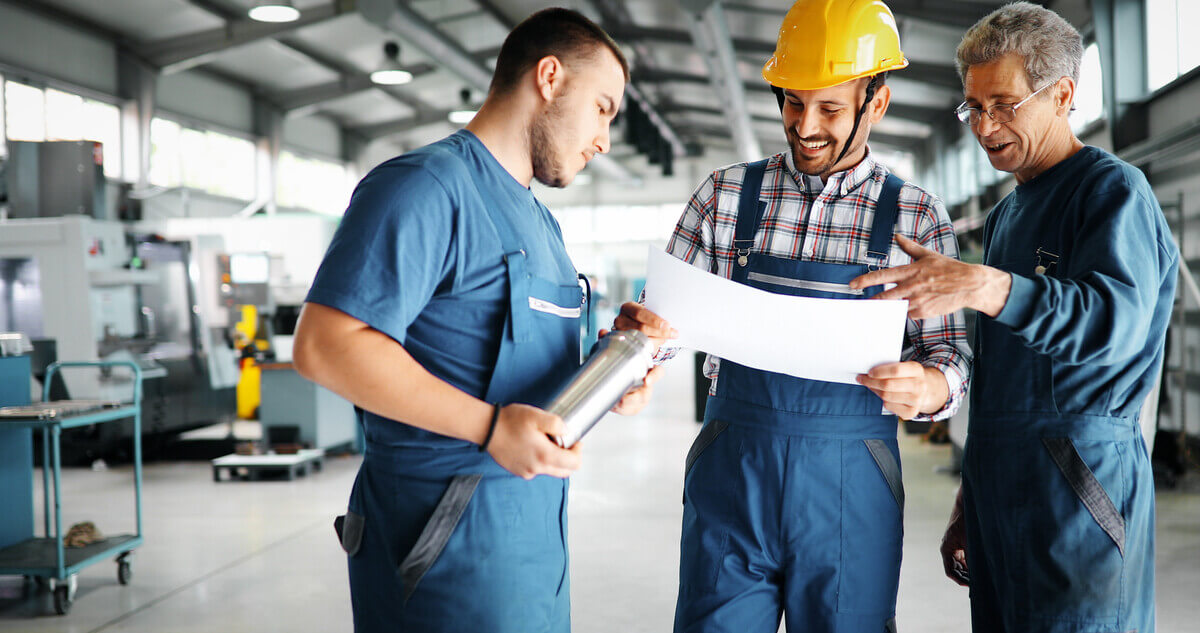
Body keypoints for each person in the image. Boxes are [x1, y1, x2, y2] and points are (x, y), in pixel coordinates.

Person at [291, 9, 663, 632]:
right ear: (549, 77)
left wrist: (609, 374)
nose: (604, 139)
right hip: (442, 550)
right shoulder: (425, 188)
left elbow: (511, 371)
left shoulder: (541, 223)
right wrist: (490, 428)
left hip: (532, 545)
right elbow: (325, 345)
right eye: (602, 108)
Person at [617, 1, 971, 630]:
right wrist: (641, 344)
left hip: (850, 485)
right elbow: (664, 321)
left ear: (877, 105)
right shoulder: (724, 195)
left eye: (831, 109)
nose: (805, 125)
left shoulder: (915, 217)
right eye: (793, 103)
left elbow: (951, 357)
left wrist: (931, 386)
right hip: (734, 475)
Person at [850, 3, 1178, 632]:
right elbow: (1000, 379)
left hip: (1080, 493)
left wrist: (985, 284)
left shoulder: (1112, 193)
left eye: (1003, 104)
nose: (984, 125)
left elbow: (1116, 326)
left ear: (1063, 96)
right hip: (1001, 491)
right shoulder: (1006, 216)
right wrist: (971, 497)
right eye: (972, 106)